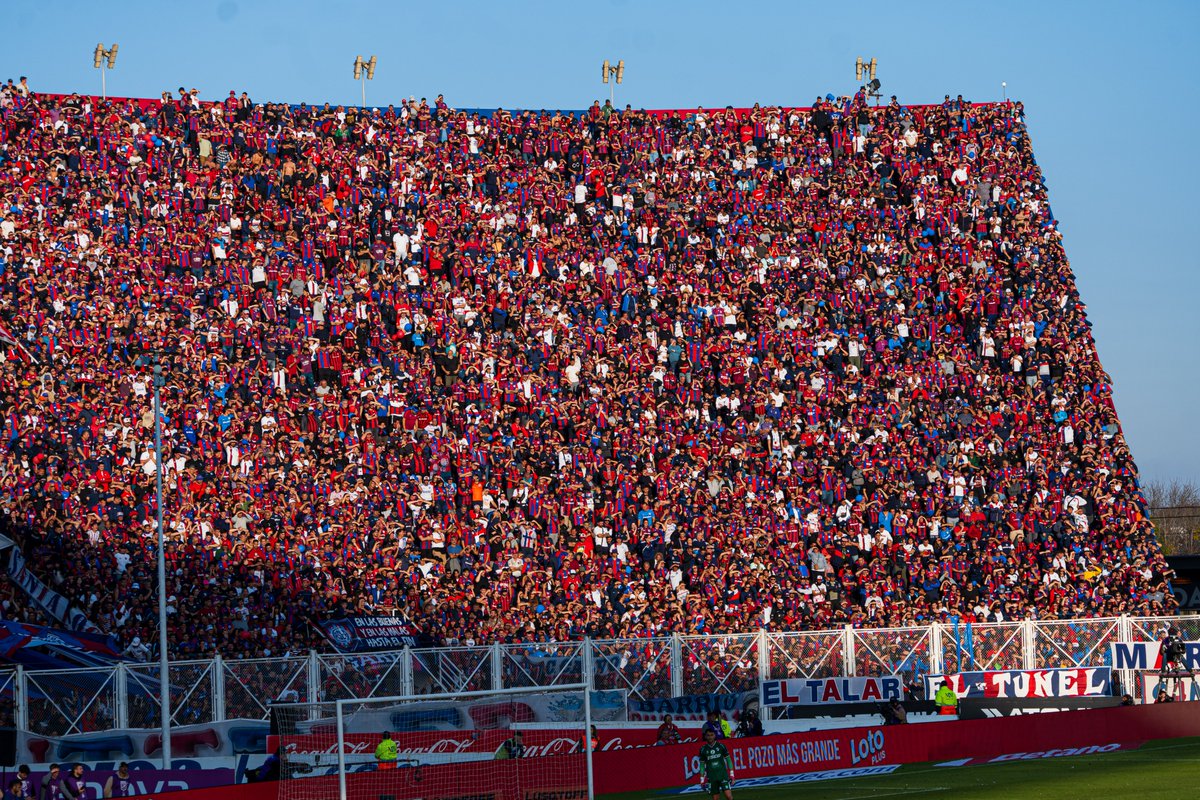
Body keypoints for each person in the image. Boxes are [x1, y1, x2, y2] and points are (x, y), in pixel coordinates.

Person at [697, 728, 734, 800]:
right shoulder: (703, 749)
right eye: (708, 735)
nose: (710, 737)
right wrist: (702, 780)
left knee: (728, 796)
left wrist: (732, 775)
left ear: (714, 735)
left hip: (723, 776)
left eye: (712, 735)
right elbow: (702, 765)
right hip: (712, 777)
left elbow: (728, 760)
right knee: (715, 799)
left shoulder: (721, 746)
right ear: (705, 736)